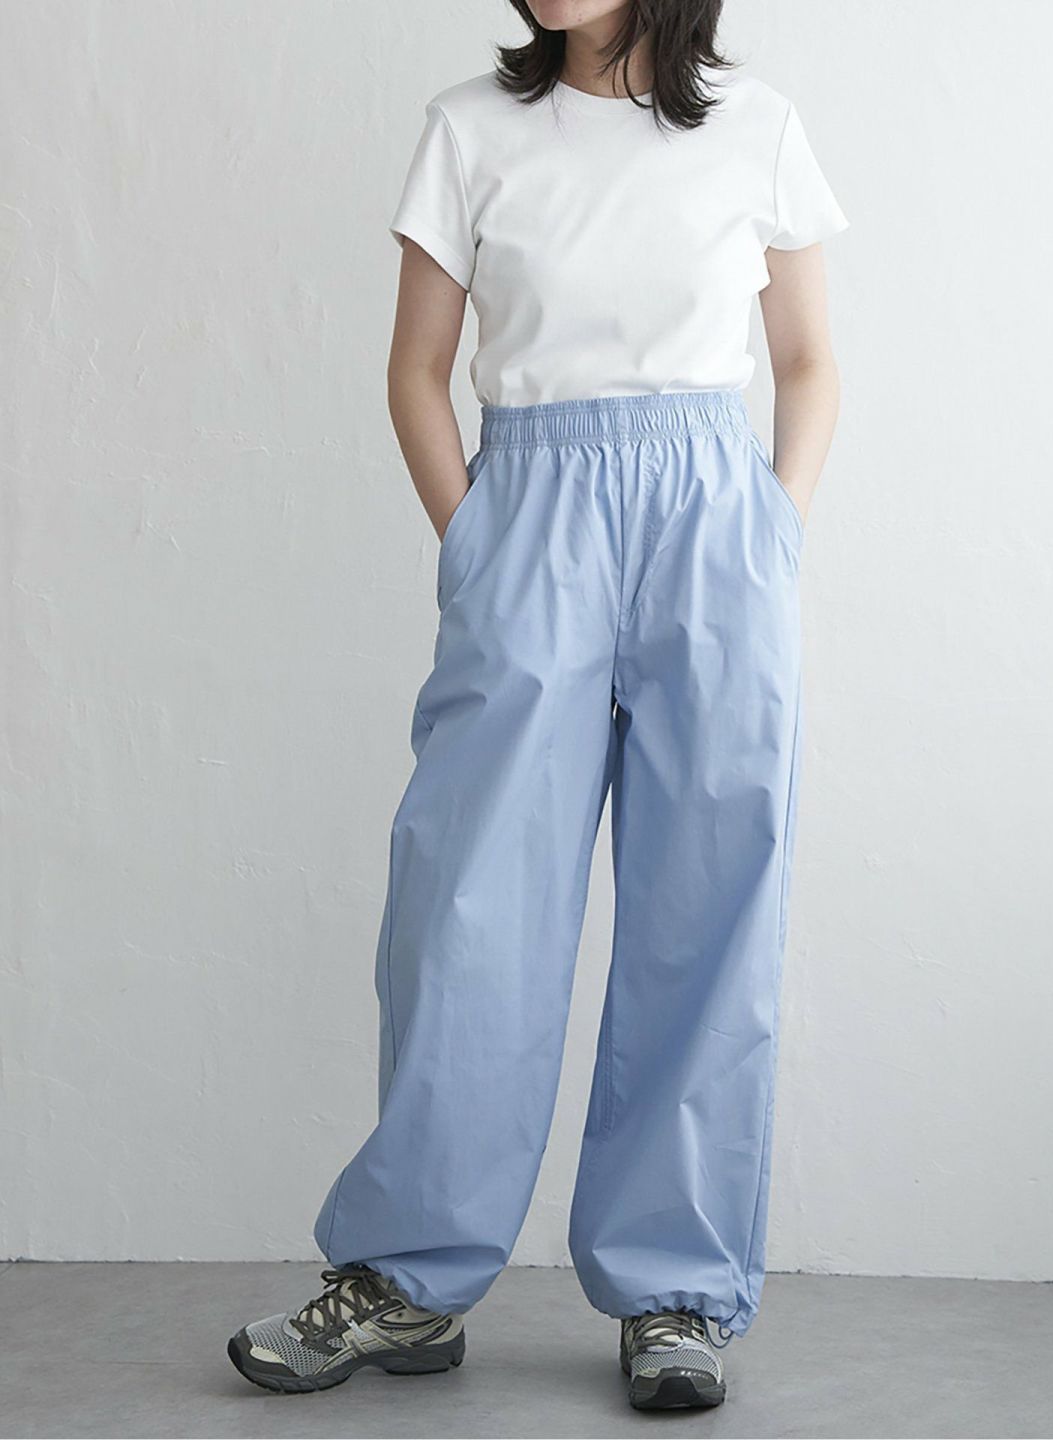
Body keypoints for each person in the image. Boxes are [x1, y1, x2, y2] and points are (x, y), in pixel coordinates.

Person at [227, 0, 847, 1411]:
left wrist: (772, 532)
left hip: (712, 530)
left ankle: (675, 1293)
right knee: (467, 909)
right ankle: (406, 1278)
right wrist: (475, 544)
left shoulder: (756, 128)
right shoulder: (471, 130)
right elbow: (415, 369)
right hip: (532, 518)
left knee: (706, 906)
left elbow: (809, 360)